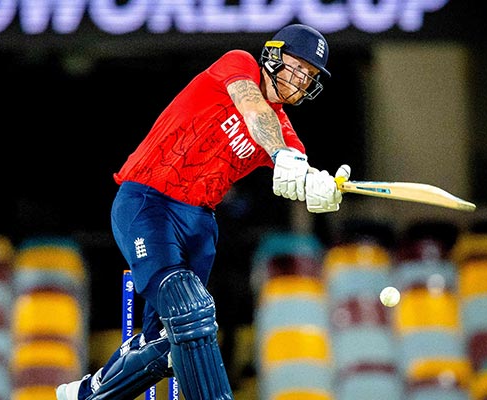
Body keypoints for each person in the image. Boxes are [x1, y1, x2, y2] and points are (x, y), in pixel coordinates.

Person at [56, 23, 350, 400]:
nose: (301, 80)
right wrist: (283, 155)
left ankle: (86, 395)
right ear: (273, 55)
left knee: (168, 344)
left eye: (309, 77)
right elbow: (252, 106)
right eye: (297, 67)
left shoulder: (285, 134)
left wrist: (317, 185)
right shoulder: (238, 65)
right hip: (149, 202)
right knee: (190, 309)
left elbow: (294, 169)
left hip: (199, 224)